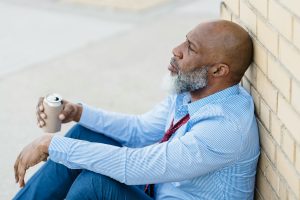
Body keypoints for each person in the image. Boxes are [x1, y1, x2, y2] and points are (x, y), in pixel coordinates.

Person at [13, 20, 260, 200]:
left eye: (191, 48)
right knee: (85, 135)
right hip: (155, 192)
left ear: (218, 70)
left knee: (96, 184)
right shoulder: (193, 93)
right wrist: (78, 112)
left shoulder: (225, 128)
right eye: (185, 40)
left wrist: (50, 145)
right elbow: (139, 131)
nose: (177, 49)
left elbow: (133, 167)